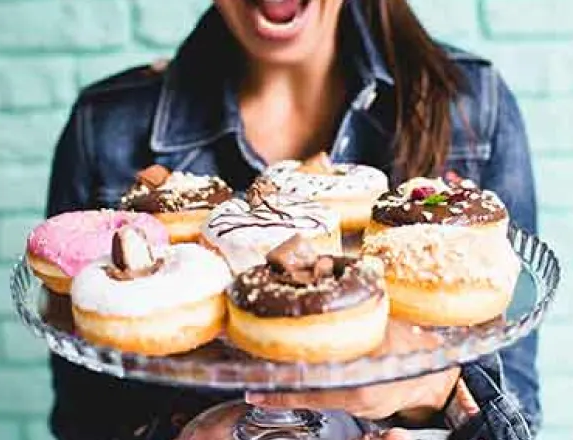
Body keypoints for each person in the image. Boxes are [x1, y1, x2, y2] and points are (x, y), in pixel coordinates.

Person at [43, 0, 540, 439]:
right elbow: (86, 417)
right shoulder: (105, 124)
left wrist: (435, 389)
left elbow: (517, 415)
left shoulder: (470, 103)